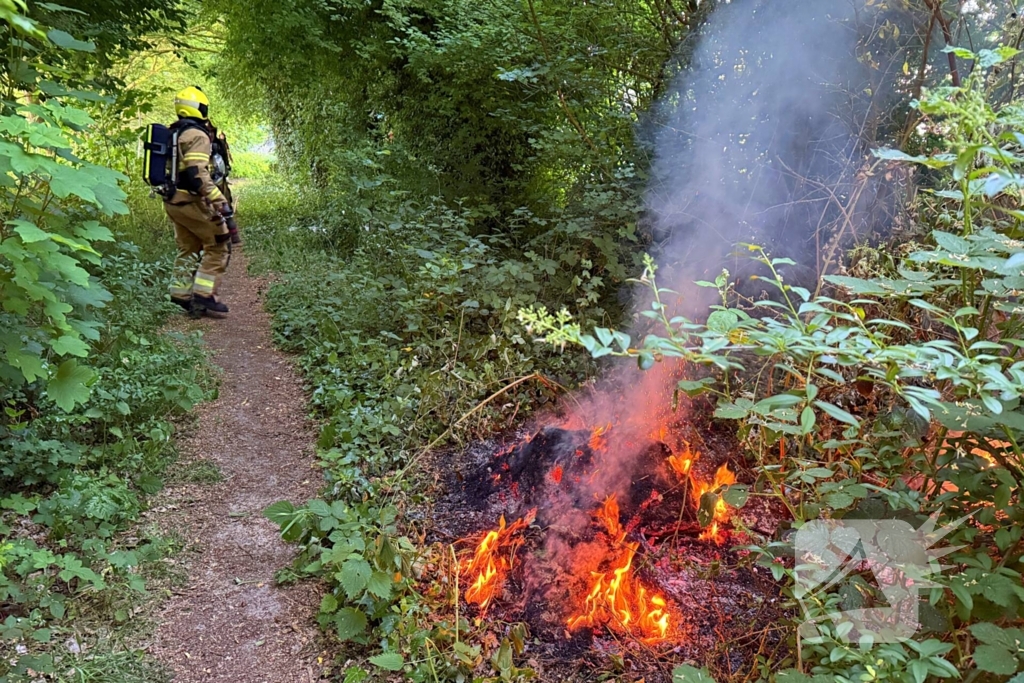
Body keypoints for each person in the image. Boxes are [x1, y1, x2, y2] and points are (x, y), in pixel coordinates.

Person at [165, 86, 231, 316]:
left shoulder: (173, 132)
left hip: (173, 200)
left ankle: (180, 294)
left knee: (189, 247)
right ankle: (205, 295)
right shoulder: (197, 135)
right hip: (190, 201)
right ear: (200, 108)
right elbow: (197, 175)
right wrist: (219, 200)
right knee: (219, 242)